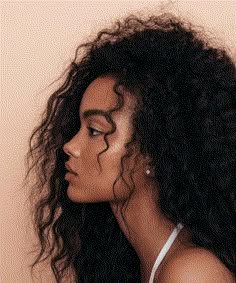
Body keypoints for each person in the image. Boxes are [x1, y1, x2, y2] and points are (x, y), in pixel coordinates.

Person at [26, 13, 236, 283]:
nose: (69, 146)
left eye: (95, 131)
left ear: (152, 149)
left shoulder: (193, 273)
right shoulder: (132, 261)